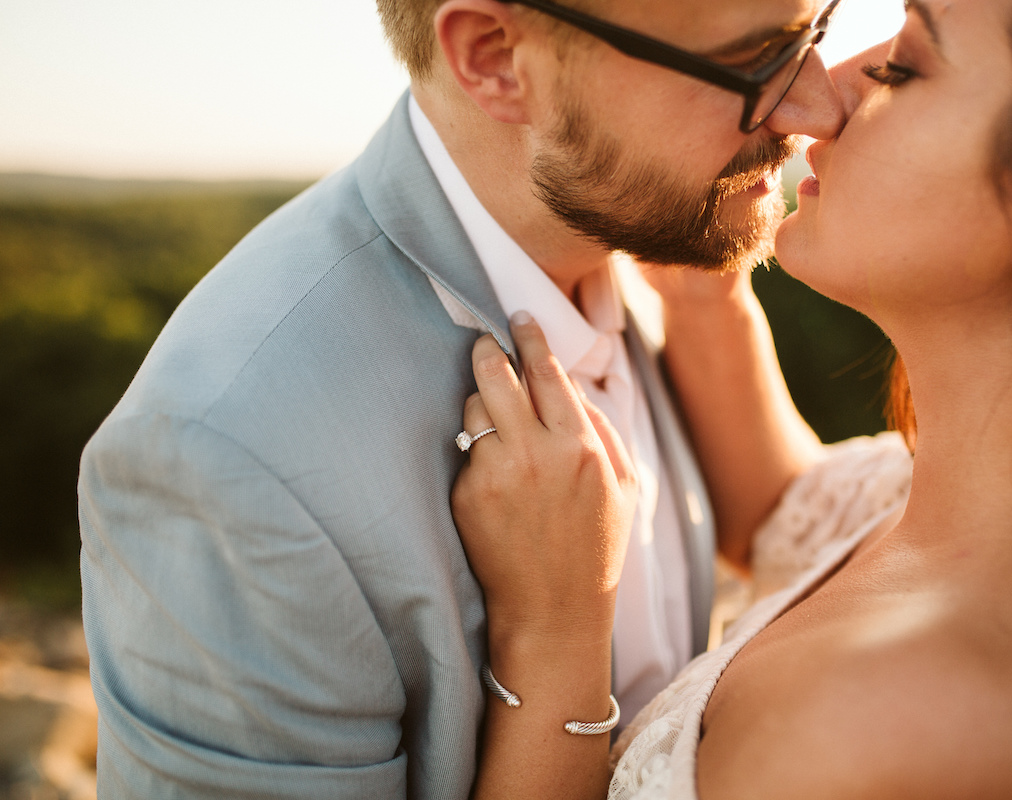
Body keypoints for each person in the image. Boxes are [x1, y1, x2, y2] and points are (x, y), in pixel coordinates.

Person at [75, 0, 845, 797]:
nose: (815, 107)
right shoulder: (230, 451)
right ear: (493, 58)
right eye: (754, 62)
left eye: (816, 27)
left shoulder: (662, 244)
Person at [451, 0, 1012, 795]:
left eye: (903, 69)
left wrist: (556, 641)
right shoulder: (977, 512)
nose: (815, 97)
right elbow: (782, 510)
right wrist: (702, 276)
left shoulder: (895, 731)